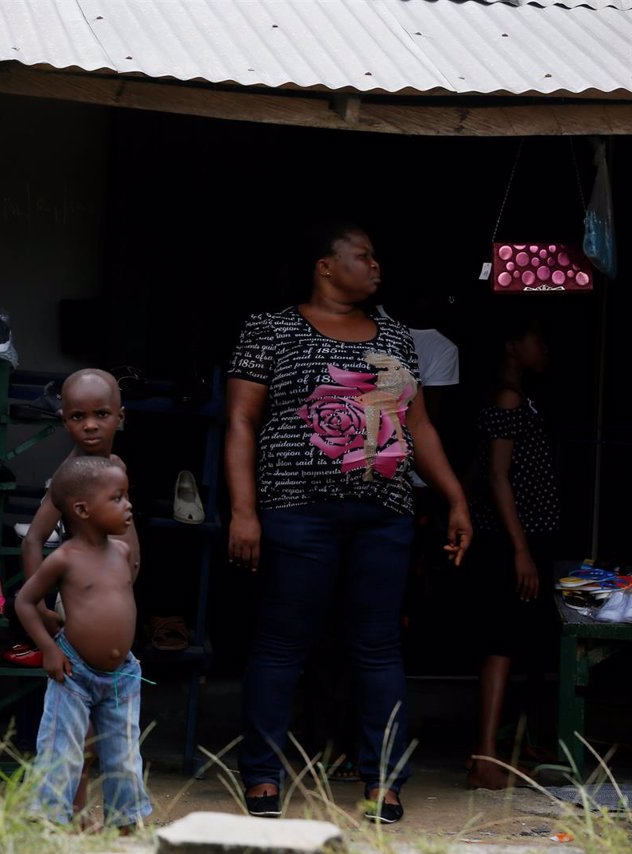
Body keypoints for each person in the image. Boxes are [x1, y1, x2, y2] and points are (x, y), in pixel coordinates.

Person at [225, 222, 472, 824]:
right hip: (296, 511)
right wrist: (242, 510)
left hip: (382, 517)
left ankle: (383, 780)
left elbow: (418, 427)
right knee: (283, 645)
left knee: (378, 647)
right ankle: (261, 775)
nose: (376, 266)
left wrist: (456, 498)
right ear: (326, 266)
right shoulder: (271, 328)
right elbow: (240, 424)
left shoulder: (394, 336)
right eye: (363, 256)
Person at [20, 369, 140, 817]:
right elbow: (33, 538)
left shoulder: (115, 470)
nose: (90, 425)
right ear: (64, 421)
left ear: (119, 418)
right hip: (78, 600)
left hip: (111, 592)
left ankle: (96, 818)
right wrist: (50, 607)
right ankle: (72, 817)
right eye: (78, 416)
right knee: (74, 728)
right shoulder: (70, 476)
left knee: (104, 726)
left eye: (101, 415)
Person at [465, 318, 558, 791]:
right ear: (511, 345)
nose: (544, 348)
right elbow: (499, 476)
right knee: (500, 644)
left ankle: (510, 745)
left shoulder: (521, 399)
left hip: (526, 538)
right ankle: (483, 757)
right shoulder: (507, 399)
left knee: (521, 642)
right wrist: (521, 550)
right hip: (508, 541)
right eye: (537, 339)